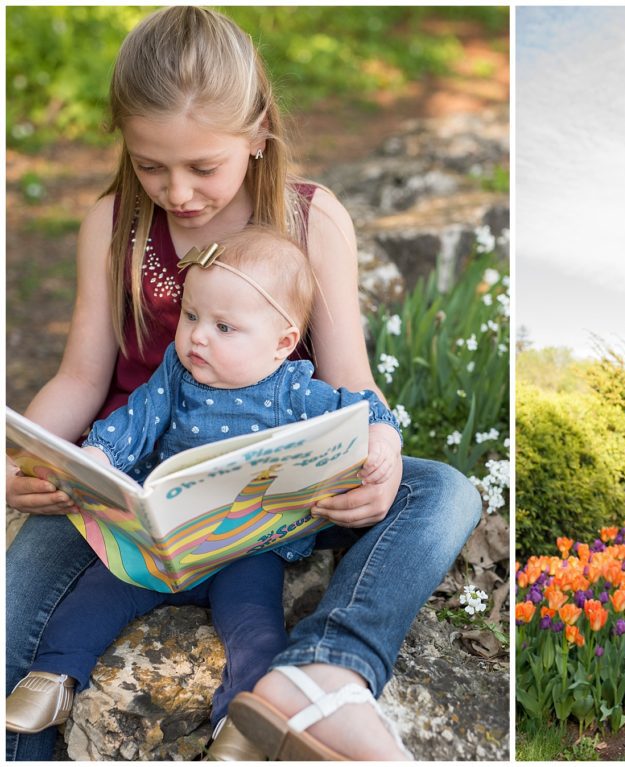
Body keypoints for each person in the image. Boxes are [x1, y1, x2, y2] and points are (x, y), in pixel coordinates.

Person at [6, 7, 481, 762]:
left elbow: (349, 379)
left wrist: (382, 443)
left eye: (203, 167)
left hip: (279, 498)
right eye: (150, 165)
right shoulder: (115, 223)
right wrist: (29, 458)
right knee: (10, 627)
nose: (176, 191)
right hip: (133, 491)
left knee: (446, 492)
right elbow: (80, 375)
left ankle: (321, 669)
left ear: (257, 133)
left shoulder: (310, 218)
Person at [6, 229, 406, 760]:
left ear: (282, 342)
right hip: (166, 543)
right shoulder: (176, 374)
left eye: (224, 327)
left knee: (255, 629)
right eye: (191, 317)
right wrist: (96, 463)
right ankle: (54, 676)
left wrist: (381, 437)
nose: (198, 338)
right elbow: (134, 423)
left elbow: (361, 406)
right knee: (96, 596)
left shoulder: (295, 390)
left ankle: (238, 722)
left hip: (244, 551)